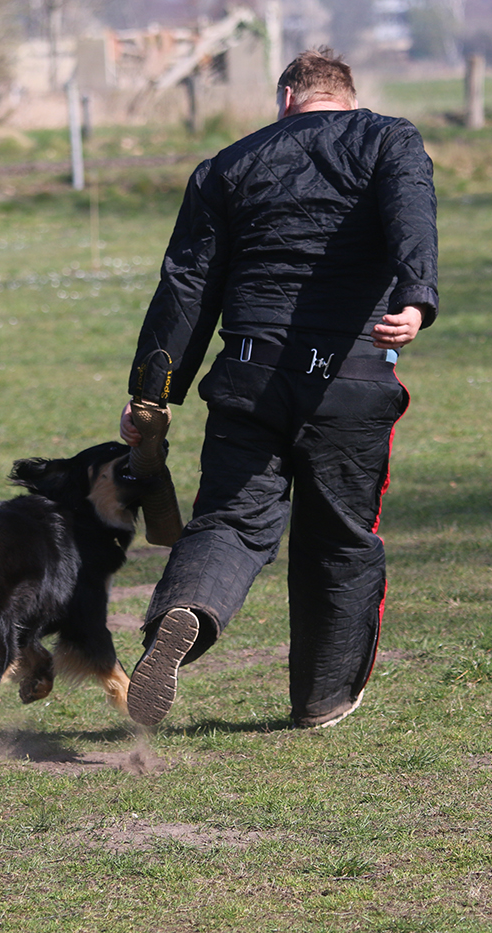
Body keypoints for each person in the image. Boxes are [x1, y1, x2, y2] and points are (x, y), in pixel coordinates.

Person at [118, 47, 438, 729]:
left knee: (230, 521)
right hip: (349, 377)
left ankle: (186, 611)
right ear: (347, 98)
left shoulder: (227, 165)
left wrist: (152, 393)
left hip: (248, 375)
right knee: (339, 540)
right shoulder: (389, 139)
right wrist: (416, 298)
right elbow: (411, 213)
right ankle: (321, 699)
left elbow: (187, 287)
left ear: (286, 99)